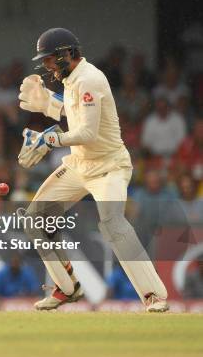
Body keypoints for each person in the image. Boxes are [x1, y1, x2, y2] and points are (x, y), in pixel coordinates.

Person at [17, 28, 168, 312]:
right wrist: (48, 103)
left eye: (50, 59)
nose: (48, 66)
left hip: (109, 167)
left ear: (67, 54)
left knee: (113, 225)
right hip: (80, 165)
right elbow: (73, 112)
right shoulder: (74, 79)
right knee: (35, 219)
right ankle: (66, 288)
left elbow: (86, 132)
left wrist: (50, 139)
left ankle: (154, 295)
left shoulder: (90, 79)